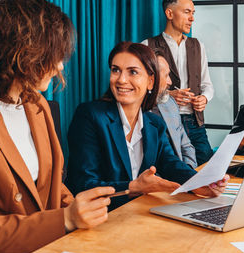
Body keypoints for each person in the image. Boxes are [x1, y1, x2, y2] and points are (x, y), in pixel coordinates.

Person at [0, 1, 114, 253]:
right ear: (21, 52)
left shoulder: (36, 103)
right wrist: (65, 220)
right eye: (53, 55)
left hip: (45, 252)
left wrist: (79, 207)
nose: (59, 67)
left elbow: (48, 186)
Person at [65, 42, 228, 210]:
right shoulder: (89, 116)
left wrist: (200, 183)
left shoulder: (154, 124)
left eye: (132, 72)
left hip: (139, 213)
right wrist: (134, 187)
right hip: (101, 218)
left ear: (151, 81)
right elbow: (84, 185)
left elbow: (171, 164)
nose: (121, 79)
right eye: (116, 70)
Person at [142, 0, 214, 166]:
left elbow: (207, 85)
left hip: (195, 121)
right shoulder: (147, 46)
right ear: (169, 14)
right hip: (163, 120)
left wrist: (204, 98)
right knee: (170, 168)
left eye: (193, 13)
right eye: (187, 12)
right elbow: (142, 89)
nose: (192, 18)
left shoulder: (198, 46)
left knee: (207, 167)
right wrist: (168, 95)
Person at [151, 51, 197, 168]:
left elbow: (186, 146)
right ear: (151, 77)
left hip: (179, 175)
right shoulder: (134, 111)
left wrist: (189, 170)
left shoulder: (170, 103)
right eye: (166, 76)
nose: (170, 82)